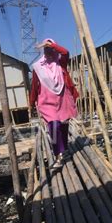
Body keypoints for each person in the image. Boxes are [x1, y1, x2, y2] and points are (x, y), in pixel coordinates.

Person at [29, 38, 79, 168]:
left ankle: (64, 148)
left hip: (62, 99)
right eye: (46, 49)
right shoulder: (38, 67)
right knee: (54, 126)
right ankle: (59, 155)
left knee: (63, 125)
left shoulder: (60, 63)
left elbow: (65, 52)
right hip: (46, 101)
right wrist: (31, 103)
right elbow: (34, 86)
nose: (49, 51)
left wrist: (52, 44)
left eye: (51, 49)